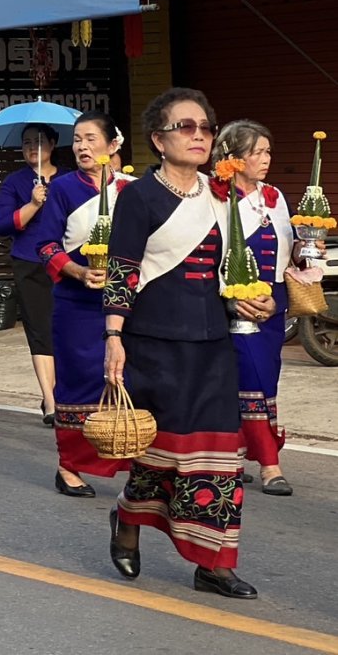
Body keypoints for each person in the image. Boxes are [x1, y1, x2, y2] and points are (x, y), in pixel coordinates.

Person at [104, 87, 268, 599]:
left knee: (219, 455)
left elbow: (233, 269)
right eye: (186, 127)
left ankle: (214, 563)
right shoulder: (138, 197)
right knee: (164, 452)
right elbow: (123, 270)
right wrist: (113, 336)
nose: (199, 135)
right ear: (159, 139)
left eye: (205, 127)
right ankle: (128, 517)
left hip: (213, 342)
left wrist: (251, 299)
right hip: (155, 342)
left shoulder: (222, 196)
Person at [36, 111, 129, 498]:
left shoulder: (131, 189)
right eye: (77, 139)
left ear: (112, 144)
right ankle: (69, 465)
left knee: (126, 379)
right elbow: (45, 245)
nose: (82, 147)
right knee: (79, 381)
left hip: (126, 303)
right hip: (77, 303)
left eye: (91, 139)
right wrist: (76, 270)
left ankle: (132, 457)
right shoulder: (63, 189)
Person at [214, 120, 299, 496]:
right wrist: (232, 296)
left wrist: (307, 248)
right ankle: (269, 464)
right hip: (233, 305)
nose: (266, 159)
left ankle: (234, 454)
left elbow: (288, 249)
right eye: (257, 152)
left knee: (266, 378)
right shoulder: (215, 197)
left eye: (267, 151)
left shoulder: (274, 196)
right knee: (252, 381)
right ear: (233, 157)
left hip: (272, 305)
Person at [0, 124, 61, 425]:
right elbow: (3, 224)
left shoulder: (68, 179)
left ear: (53, 144)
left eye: (39, 141)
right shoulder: (15, 182)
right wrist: (33, 204)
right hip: (29, 262)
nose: (32, 147)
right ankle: (50, 401)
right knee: (39, 331)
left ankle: (64, 392)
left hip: (66, 263)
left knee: (65, 329)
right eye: (26, 143)